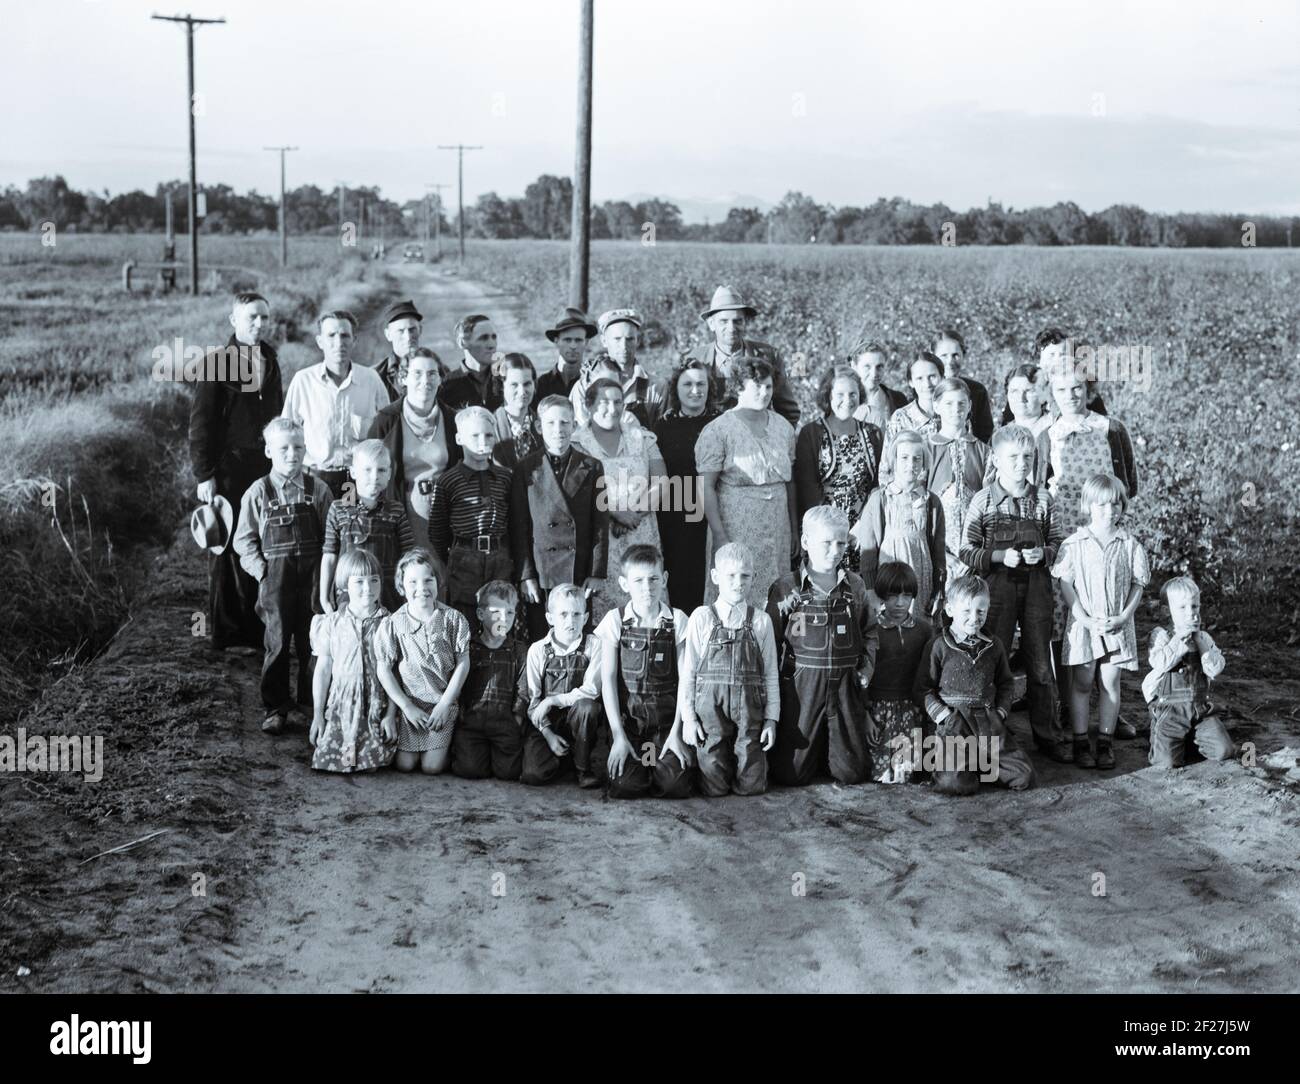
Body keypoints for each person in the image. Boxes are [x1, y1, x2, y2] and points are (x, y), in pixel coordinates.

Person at [960, 425, 1070, 763]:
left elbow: (1059, 543)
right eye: (1013, 457)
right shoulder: (983, 500)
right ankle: (993, 735)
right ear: (995, 459)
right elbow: (966, 550)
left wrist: (1044, 554)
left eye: (1027, 457)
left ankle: (1048, 736)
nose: (1021, 463)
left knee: (1040, 666)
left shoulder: (1043, 500)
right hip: (997, 591)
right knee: (996, 661)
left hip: (1037, 590)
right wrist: (997, 557)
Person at [189, 291, 283, 653]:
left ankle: (255, 629)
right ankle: (225, 634)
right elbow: (201, 424)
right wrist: (204, 475)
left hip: (263, 467)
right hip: (228, 469)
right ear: (234, 321)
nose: (259, 324)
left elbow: (276, 411)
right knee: (226, 546)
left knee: (259, 542)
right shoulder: (216, 363)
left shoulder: (270, 359)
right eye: (251, 317)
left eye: (264, 317)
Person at [232, 418, 334, 735]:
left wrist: (328, 579)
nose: (292, 454)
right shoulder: (258, 492)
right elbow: (243, 541)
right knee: (276, 644)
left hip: (312, 580)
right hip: (276, 581)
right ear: (268, 451)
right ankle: (276, 707)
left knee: (312, 642)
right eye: (284, 448)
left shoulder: (319, 490)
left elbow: (331, 537)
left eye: (298, 447)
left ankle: (311, 704)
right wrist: (262, 571)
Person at [767, 506, 878, 786]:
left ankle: (833, 749)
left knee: (853, 774)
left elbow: (870, 632)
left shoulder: (855, 586)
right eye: (826, 542)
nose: (835, 550)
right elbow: (770, 641)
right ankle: (813, 750)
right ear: (806, 542)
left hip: (845, 686)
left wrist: (866, 668)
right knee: (790, 776)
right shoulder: (786, 587)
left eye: (841, 543)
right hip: (802, 688)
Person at [1051, 473, 1149, 769]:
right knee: (1082, 681)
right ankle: (1081, 741)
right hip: (1085, 625)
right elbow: (1066, 585)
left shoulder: (1129, 545)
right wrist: (1083, 618)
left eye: (1116, 504)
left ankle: (1105, 742)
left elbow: (1138, 585)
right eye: (1102, 504)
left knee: (1110, 682)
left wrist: (1123, 616)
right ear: (1088, 505)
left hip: (1116, 624)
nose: (1110, 510)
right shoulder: (1075, 544)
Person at [914, 574, 1036, 794]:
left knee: (1023, 775)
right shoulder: (938, 645)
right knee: (955, 784)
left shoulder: (994, 646)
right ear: (950, 610)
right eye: (966, 611)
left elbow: (1006, 684)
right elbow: (922, 689)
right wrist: (945, 717)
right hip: (954, 724)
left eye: (981, 611)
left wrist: (1000, 713)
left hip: (987, 723)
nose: (974, 618)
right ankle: (962, 767)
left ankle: (978, 764)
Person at [696, 355, 798, 608]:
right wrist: (719, 535)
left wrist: (795, 529)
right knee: (738, 583)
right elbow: (705, 486)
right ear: (739, 387)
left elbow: (789, 482)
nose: (764, 392)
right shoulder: (718, 429)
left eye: (769, 386)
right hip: (737, 526)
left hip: (777, 527)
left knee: (777, 592)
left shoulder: (783, 427)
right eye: (757, 386)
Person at [679, 542, 780, 797]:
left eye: (745, 575)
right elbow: (688, 673)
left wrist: (771, 719)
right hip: (710, 718)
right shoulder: (701, 617)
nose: (739, 583)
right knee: (714, 788)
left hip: (750, 716)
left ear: (753, 577)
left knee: (752, 786)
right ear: (715, 576)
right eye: (731, 575)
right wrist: (689, 719)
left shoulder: (761, 621)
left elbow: (770, 674)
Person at [595, 545, 694, 799]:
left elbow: (686, 680)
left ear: (665, 579)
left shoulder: (678, 620)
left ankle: (657, 767)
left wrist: (676, 733)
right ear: (624, 583)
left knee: (673, 786)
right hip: (631, 727)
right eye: (638, 581)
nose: (647, 587)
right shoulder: (615, 620)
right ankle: (642, 766)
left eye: (653, 579)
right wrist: (618, 736)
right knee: (625, 785)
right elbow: (608, 681)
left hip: (665, 726)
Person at [510, 395, 609, 640]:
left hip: (578, 572)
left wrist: (596, 572)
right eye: (551, 423)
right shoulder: (525, 468)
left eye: (565, 422)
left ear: (574, 425)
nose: (558, 429)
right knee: (542, 638)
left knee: (578, 636)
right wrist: (526, 575)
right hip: (543, 573)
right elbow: (519, 527)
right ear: (538, 426)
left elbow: (600, 523)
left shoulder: (593, 466)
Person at [571, 378, 667, 627]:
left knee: (646, 601)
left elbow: (662, 482)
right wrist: (615, 513)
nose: (612, 408)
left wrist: (632, 514)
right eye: (604, 402)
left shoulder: (642, 438)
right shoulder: (577, 443)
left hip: (641, 532)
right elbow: (579, 491)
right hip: (602, 539)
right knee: (607, 615)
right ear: (589, 405)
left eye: (617, 402)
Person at [374, 548, 471, 775]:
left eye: (428, 580)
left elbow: (463, 662)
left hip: (442, 704)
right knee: (404, 765)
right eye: (413, 582)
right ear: (401, 586)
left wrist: (445, 704)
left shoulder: (453, 619)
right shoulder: (393, 624)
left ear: (438, 582)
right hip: (411, 707)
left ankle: (452, 745)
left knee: (431, 767)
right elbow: (384, 669)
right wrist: (406, 707)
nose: (422, 588)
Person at [281, 310, 389, 499]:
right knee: (316, 520)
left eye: (345, 335)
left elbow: (388, 432)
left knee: (354, 520)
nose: (339, 342)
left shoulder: (371, 380)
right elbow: (286, 435)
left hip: (358, 483)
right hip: (313, 481)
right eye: (331, 335)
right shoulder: (303, 381)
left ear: (354, 340)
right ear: (320, 341)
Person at [308, 549, 397, 773]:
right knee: (343, 760)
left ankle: (369, 755)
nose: (368, 588)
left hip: (376, 703)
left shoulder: (389, 623)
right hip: (343, 705)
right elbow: (323, 669)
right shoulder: (332, 623)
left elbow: (396, 672)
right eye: (359, 582)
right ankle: (349, 760)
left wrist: (390, 715)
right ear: (344, 585)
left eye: (374, 580)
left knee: (372, 764)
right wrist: (318, 714)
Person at [658, 285, 800, 425]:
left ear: (745, 322)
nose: (731, 328)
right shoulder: (694, 359)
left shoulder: (768, 356)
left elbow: (789, 412)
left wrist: (777, 435)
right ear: (711, 324)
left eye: (737, 321)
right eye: (724, 321)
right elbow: (677, 409)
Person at [366, 348, 462, 548]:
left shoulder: (453, 419)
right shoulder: (386, 420)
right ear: (404, 378)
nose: (425, 380)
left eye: (432, 374)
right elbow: (363, 468)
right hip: (401, 516)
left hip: (444, 515)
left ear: (440, 379)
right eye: (417, 373)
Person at [427, 407, 513, 626]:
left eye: (488, 435)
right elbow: (437, 530)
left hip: (499, 559)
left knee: (499, 620)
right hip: (464, 561)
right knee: (465, 621)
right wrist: (456, 556)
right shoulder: (448, 481)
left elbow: (514, 522)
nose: (482, 441)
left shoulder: (504, 478)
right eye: (475, 436)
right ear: (459, 439)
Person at [794, 365, 883, 569]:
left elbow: (878, 484)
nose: (848, 400)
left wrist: (862, 526)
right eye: (840, 394)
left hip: (863, 531)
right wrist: (835, 531)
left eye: (853, 394)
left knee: (863, 585)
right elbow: (808, 490)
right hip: (824, 534)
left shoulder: (873, 433)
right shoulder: (811, 434)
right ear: (828, 396)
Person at [1142, 576, 1235, 769]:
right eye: (1182, 608)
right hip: (1170, 709)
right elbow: (1159, 663)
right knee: (1166, 762)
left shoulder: (1204, 637)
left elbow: (1215, 669)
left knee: (1224, 751)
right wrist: (1178, 640)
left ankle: (1191, 739)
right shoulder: (1161, 635)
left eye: (1194, 606)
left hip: (1199, 709)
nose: (1191, 613)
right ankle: (1161, 736)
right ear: (1167, 611)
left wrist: (1200, 643)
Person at [520, 583, 606, 788]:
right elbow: (533, 703)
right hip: (548, 723)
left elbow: (592, 690)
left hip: (579, 723)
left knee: (587, 707)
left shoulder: (594, 645)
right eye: (563, 614)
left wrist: (553, 700)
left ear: (585, 617)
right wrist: (548, 734)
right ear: (550, 618)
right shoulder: (538, 650)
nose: (571, 621)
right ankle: (564, 759)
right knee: (533, 775)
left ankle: (582, 767)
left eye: (577, 614)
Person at [652, 357, 721, 613]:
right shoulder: (663, 425)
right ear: (675, 389)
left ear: (709, 387)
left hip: (712, 514)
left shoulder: (720, 423)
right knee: (678, 580)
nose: (695, 390)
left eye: (701, 384)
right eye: (687, 384)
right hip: (674, 516)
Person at [852, 431, 946, 618]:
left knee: (918, 625)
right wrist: (870, 589)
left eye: (917, 459)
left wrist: (939, 590)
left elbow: (938, 553)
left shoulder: (932, 502)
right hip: (887, 578)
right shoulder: (879, 499)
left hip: (921, 579)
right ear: (894, 460)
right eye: (904, 458)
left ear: (924, 462)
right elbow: (868, 550)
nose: (911, 464)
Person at [319, 440, 415, 614]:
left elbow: (408, 556)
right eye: (367, 470)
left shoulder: (396, 510)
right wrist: (324, 597)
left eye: (381, 470)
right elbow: (329, 555)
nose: (374, 476)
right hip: (348, 595)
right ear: (353, 472)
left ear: (389, 474)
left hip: (386, 594)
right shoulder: (339, 509)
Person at [450, 581, 529, 781]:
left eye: (509, 612)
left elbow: (523, 689)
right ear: (480, 614)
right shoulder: (469, 648)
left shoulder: (519, 651)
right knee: (470, 770)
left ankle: (497, 757)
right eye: (496, 612)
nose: (504, 619)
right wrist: (461, 714)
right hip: (472, 723)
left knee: (509, 773)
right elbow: (459, 685)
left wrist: (517, 719)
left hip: (505, 723)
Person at [864, 562, 931, 783]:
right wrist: (865, 715)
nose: (900, 603)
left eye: (907, 595)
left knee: (911, 772)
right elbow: (860, 677)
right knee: (880, 774)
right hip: (878, 712)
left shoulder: (924, 630)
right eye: (893, 595)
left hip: (913, 710)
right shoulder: (871, 629)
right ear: (882, 595)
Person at [926, 378, 991, 583]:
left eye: (961, 403)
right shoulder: (925, 450)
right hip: (937, 547)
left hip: (974, 548)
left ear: (970, 406)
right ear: (936, 406)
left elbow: (989, 505)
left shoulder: (984, 451)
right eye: (949, 403)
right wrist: (941, 554)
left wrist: (976, 552)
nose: (956, 409)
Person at [590, 308, 664, 421]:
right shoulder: (587, 383)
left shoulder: (657, 387)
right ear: (604, 341)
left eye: (629, 339)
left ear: (638, 341)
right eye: (617, 339)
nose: (624, 346)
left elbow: (663, 429)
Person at [987, 364, 1052, 485]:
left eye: (1029, 391)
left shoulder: (1055, 430)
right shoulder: (1002, 435)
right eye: (1014, 391)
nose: (1021, 398)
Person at [931, 329, 994, 442]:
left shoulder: (977, 390)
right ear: (934, 356)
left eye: (955, 355)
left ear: (963, 355)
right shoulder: (926, 389)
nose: (950, 361)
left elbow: (985, 433)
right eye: (944, 355)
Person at [1035, 327, 1107, 416]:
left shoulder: (1084, 394)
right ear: (1039, 362)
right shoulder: (1030, 394)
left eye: (1063, 355)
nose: (1058, 361)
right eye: (1051, 355)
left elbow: (1102, 422)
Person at [570, 352, 650, 429]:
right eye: (603, 385)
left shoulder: (629, 418)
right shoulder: (577, 415)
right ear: (589, 386)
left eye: (615, 386)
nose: (609, 391)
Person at [490, 352, 542, 469]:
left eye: (527, 384)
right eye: (514, 385)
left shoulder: (544, 424)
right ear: (502, 386)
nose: (522, 392)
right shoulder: (490, 425)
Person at [439, 313, 501, 411]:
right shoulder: (447, 386)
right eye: (483, 338)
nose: (492, 345)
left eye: (494, 337)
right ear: (463, 343)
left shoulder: (506, 379)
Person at [883, 351, 944, 448]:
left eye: (932, 376)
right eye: (919, 378)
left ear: (942, 377)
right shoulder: (900, 419)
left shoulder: (954, 411)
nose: (927, 384)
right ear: (911, 382)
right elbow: (889, 456)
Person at [536, 307, 597, 402]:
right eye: (567, 340)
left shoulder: (593, 382)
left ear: (586, 342)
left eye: (578, 340)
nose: (573, 346)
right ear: (556, 341)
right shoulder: (541, 384)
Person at [850, 339, 909, 431]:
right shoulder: (843, 402)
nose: (874, 374)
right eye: (867, 367)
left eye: (879, 367)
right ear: (854, 366)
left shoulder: (898, 399)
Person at [374, 299, 423, 402]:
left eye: (412, 329)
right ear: (388, 335)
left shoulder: (439, 371)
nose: (408, 337)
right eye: (400, 331)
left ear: (420, 330)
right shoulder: (375, 377)